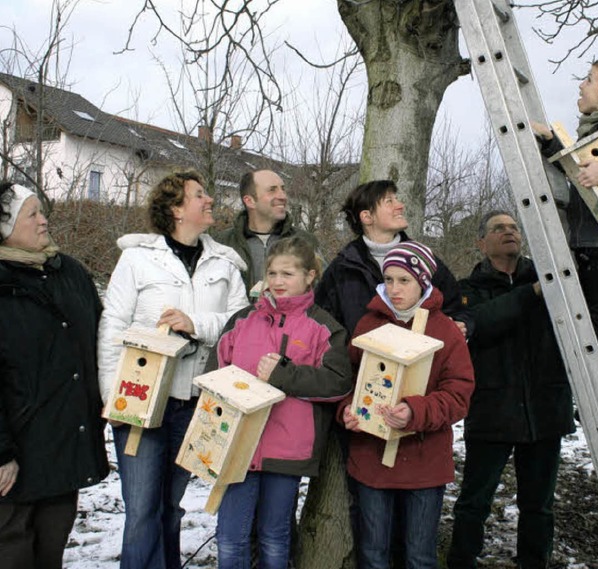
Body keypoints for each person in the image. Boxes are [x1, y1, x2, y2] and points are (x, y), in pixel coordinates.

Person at [98, 170, 248, 569]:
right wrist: (114, 398)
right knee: (142, 511)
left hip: (194, 403)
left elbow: (239, 324)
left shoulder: (225, 263)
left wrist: (195, 323)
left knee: (171, 506)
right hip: (141, 402)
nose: (210, 200)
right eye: (200, 195)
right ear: (176, 208)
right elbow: (112, 324)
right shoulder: (137, 259)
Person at [208, 236, 352, 569]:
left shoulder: (323, 328)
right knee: (230, 538)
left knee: (274, 538)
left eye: (287, 274)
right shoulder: (242, 321)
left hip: (287, 448)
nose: (277, 282)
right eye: (272, 273)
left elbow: (337, 382)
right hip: (238, 446)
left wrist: (284, 375)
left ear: (309, 276)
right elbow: (214, 375)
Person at [447, 210, 575, 569]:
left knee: (539, 504)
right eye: (498, 228)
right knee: (475, 501)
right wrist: (532, 293)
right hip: (493, 409)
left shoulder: (551, 279)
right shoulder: (467, 291)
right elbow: (480, 324)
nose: (509, 232)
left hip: (544, 409)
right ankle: (461, 561)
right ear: (481, 243)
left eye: (514, 227)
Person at [339, 241, 474, 568]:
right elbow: (350, 380)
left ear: (424, 282)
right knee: (372, 555)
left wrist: (416, 411)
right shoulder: (369, 324)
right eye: (389, 279)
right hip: (371, 461)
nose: (395, 288)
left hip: (423, 464)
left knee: (418, 556)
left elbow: (459, 393)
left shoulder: (445, 330)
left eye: (405, 280)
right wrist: (347, 409)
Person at [0, 182, 109, 569]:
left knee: (52, 551)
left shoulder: (70, 273)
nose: (44, 221)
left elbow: (102, 338)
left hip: (64, 446)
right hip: (15, 458)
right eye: (32, 214)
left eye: (42, 211)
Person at [533, 56, 598, 416]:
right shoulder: (594, 130)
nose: (581, 85)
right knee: (589, 315)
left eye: (589, 79)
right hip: (586, 239)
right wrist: (549, 144)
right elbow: (574, 164)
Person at [315, 179, 472, 339]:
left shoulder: (422, 259)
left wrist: (462, 324)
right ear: (367, 217)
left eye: (397, 199)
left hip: (417, 360)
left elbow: (458, 309)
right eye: (389, 201)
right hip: (360, 361)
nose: (400, 205)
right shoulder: (342, 268)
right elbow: (323, 325)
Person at [216, 169, 321, 297]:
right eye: (272, 190)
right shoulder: (221, 244)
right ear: (250, 201)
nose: (283, 196)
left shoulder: (306, 242)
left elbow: (323, 292)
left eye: (283, 189)